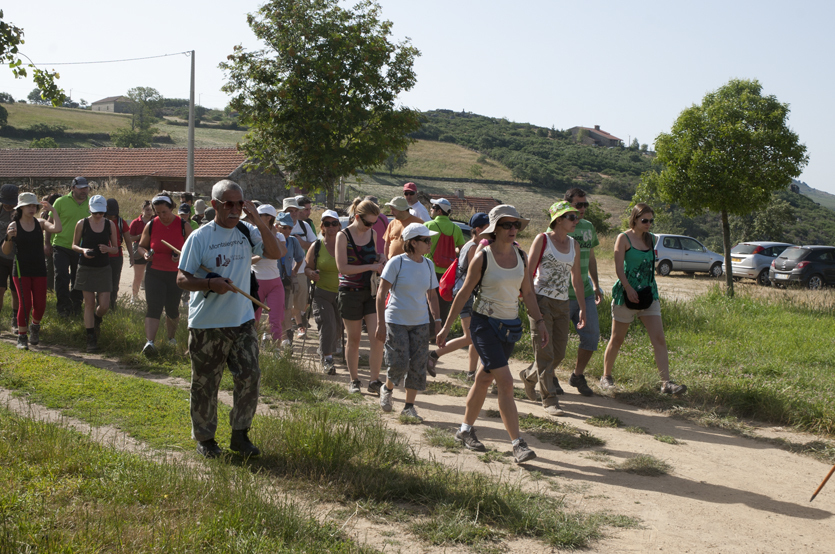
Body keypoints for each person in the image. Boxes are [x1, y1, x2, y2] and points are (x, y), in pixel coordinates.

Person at [177, 179, 284, 458]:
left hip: (243, 320)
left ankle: (240, 435)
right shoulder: (200, 237)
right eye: (229, 203)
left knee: (250, 376)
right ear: (214, 205)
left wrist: (259, 221)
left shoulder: (247, 231)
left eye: (240, 203)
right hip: (206, 325)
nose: (235, 208)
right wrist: (210, 285)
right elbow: (182, 278)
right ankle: (206, 439)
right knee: (205, 383)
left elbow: (275, 253)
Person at [436, 205, 549, 464]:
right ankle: (518, 444)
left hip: (509, 327)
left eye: (516, 225)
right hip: (483, 324)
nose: (513, 230)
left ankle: (464, 430)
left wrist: (540, 322)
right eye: (507, 225)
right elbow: (463, 293)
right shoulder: (482, 257)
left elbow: (528, 293)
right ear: (495, 229)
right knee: (506, 382)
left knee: (484, 379)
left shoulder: (521, 255)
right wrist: (445, 326)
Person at [602, 203, 687, 395]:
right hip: (626, 294)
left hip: (649, 294)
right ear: (635, 219)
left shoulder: (652, 239)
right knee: (617, 338)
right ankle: (606, 377)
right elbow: (618, 268)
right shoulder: (623, 238)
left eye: (651, 220)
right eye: (644, 220)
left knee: (659, 339)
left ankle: (666, 383)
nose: (649, 224)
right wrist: (628, 288)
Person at [519, 201, 587, 416]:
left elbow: (576, 279)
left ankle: (529, 376)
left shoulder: (574, 244)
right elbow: (528, 272)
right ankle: (549, 399)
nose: (576, 221)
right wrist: (526, 300)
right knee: (545, 352)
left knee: (558, 353)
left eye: (577, 217)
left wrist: (583, 308)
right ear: (558, 220)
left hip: (563, 303)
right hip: (541, 301)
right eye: (572, 217)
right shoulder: (543, 239)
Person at [375, 223, 441, 421]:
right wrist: (380, 323)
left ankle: (409, 407)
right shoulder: (397, 263)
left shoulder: (429, 265)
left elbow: (432, 295)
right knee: (399, 362)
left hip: (420, 322)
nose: (430, 243)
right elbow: (381, 293)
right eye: (426, 240)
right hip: (396, 320)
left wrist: (437, 321)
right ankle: (387, 388)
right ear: (412, 243)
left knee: (418, 364)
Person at [427, 212, 490, 380]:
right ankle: (434, 355)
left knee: (473, 336)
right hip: (466, 295)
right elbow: (474, 274)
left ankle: (471, 373)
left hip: (466, 294)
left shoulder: (470, 245)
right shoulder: (473, 248)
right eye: (487, 227)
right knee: (470, 336)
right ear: (478, 229)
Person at [335, 197, 385, 395]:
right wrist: (371, 266)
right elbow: (343, 268)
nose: (371, 226)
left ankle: (374, 380)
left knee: (377, 338)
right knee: (354, 339)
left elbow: (373, 256)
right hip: (350, 293)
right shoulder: (343, 236)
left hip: (371, 291)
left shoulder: (372, 234)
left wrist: (380, 258)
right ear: (357, 217)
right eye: (368, 222)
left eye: (374, 223)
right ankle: (354, 380)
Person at [3, 192, 62, 350]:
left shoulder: (41, 223)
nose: (31, 208)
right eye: (28, 205)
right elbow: (6, 250)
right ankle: (22, 337)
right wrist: (8, 237)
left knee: (40, 305)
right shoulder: (14, 225)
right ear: (20, 208)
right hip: (21, 271)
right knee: (25, 304)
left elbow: (57, 228)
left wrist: (53, 210)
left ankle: (34, 327)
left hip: (39, 269)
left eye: (33, 205)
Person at [136, 195, 193, 356]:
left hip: (176, 274)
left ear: (172, 208)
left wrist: (180, 256)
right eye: (158, 212)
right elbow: (141, 246)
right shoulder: (152, 225)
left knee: (172, 309)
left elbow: (194, 250)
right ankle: (150, 343)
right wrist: (146, 254)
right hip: (154, 272)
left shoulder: (184, 226)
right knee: (154, 307)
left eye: (165, 212)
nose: (162, 215)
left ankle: (171, 338)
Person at [564, 188, 604, 397]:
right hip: (561, 294)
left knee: (591, 336)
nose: (582, 209)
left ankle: (577, 375)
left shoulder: (588, 227)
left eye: (585, 205)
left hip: (585, 291)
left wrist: (596, 285)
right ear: (568, 204)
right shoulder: (560, 226)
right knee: (556, 342)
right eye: (578, 204)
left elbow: (592, 258)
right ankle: (547, 377)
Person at [72, 195, 118, 353]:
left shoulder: (109, 224)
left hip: (103, 267)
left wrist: (108, 249)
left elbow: (117, 248)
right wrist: (83, 250)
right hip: (86, 267)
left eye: (101, 213)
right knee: (89, 303)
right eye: (95, 212)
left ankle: (97, 319)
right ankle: (90, 337)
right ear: (90, 210)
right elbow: (74, 245)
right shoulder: (82, 224)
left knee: (104, 305)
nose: (98, 215)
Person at [304, 210, 344, 374]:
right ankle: (327, 359)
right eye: (327, 224)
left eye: (334, 223)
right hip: (322, 293)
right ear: (322, 227)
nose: (331, 227)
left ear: (339, 226)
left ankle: (325, 350)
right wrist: (311, 274)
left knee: (339, 328)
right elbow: (307, 268)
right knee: (327, 324)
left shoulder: (346, 246)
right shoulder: (317, 245)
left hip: (342, 294)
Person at [50, 177, 91, 317]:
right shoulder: (60, 202)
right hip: (61, 245)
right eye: (80, 188)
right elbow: (50, 223)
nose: (83, 191)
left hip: (80, 248)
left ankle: (76, 306)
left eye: (86, 188)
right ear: (73, 188)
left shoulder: (91, 204)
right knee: (61, 276)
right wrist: (46, 244)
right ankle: (62, 307)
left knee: (78, 278)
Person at [424, 198, 467, 332]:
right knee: (444, 302)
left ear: (438, 210)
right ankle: (440, 331)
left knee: (427, 301)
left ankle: (427, 331)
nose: (431, 210)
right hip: (448, 273)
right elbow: (462, 249)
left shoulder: (428, 226)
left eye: (432, 207)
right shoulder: (456, 228)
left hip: (429, 269)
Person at [251, 204, 288, 345]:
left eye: (259, 215)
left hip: (275, 282)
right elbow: (249, 260)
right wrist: (264, 253)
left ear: (269, 218)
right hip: (256, 281)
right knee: (254, 318)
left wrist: (272, 236)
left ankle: (277, 350)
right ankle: (253, 348)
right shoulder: (252, 233)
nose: (256, 218)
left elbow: (282, 253)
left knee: (275, 319)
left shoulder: (279, 235)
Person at [285, 197, 316, 340]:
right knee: (286, 303)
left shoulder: (304, 226)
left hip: (302, 270)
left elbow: (315, 245)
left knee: (301, 303)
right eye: (289, 211)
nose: (293, 213)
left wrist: (302, 243)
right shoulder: (278, 226)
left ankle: (275, 324)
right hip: (282, 272)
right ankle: (289, 329)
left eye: (295, 210)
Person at [276, 211, 305, 348]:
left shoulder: (293, 241)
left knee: (287, 310)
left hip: (286, 281)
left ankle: (286, 340)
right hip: (271, 281)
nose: (287, 230)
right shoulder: (271, 240)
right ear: (277, 226)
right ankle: (271, 337)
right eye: (284, 227)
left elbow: (300, 258)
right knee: (273, 310)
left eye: (289, 228)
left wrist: (294, 270)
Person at [105, 199, 132, 311]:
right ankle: (100, 304)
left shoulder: (121, 222)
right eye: (110, 214)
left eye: (114, 214)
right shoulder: (100, 221)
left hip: (117, 257)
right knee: (102, 283)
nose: (112, 216)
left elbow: (128, 240)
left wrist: (131, 256)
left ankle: (112, 305)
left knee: (114, 283)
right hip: (103, 257)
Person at [0, 184, 20, 330]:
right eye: (6, 201)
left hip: (16, 259)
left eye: (12, 202)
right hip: (0, 258)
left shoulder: (21, 213)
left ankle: (15, 319)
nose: (8, 205)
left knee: (16, 292)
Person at [128, 200, 154, 304]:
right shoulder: (135, 222)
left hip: (152, 249)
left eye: (151, 210)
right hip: (138, 248)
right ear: (142, 210)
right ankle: (134, 297)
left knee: (152, 276)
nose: (149, 212)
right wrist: (142, 236)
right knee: (138, 276)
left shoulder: (155, 220)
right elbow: (129, 238)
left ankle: (151, 298)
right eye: (147, 209)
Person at [41, 193, 62, 292]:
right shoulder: (45, 215)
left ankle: (52, 289)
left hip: (55, 242)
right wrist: (47, 243)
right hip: (51, 243)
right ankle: (49, 290)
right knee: (50, 268)